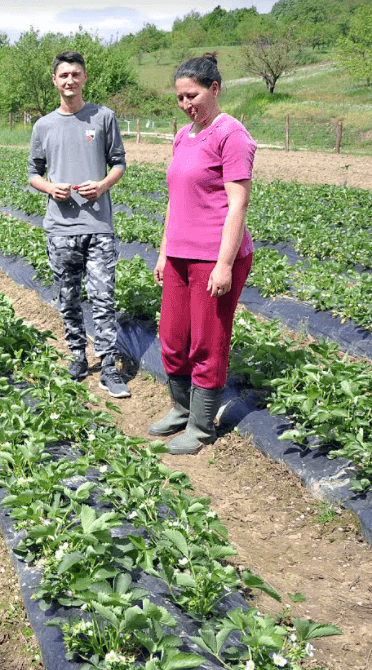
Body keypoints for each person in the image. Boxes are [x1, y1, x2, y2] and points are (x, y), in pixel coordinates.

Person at [149, 53, 255, 455]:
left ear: (214, 88)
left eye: (192, 95)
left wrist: (225, 264)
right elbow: (175, 201)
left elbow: (238, 204)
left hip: (215, 255)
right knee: (173, 338)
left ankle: (201, 425)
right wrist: (164, 253)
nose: (185, 104)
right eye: (179, 98)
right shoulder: (183, 136)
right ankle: (180, 408)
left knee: (208, 342)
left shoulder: (232, 135)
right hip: (178, 254)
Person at [28, 50, 130, 398]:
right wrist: (49, 187)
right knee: (67, 297)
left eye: (75, 74)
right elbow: (32, 173)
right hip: (60, 228)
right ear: (54, 80)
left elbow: (118, 162)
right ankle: (76, 354)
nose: (69, 80)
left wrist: (102, 185)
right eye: (63, 75)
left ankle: (109, 364)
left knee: (103, 298)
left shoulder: (103, 117)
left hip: (98, 225)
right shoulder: (43, 126)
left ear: (85, 77)